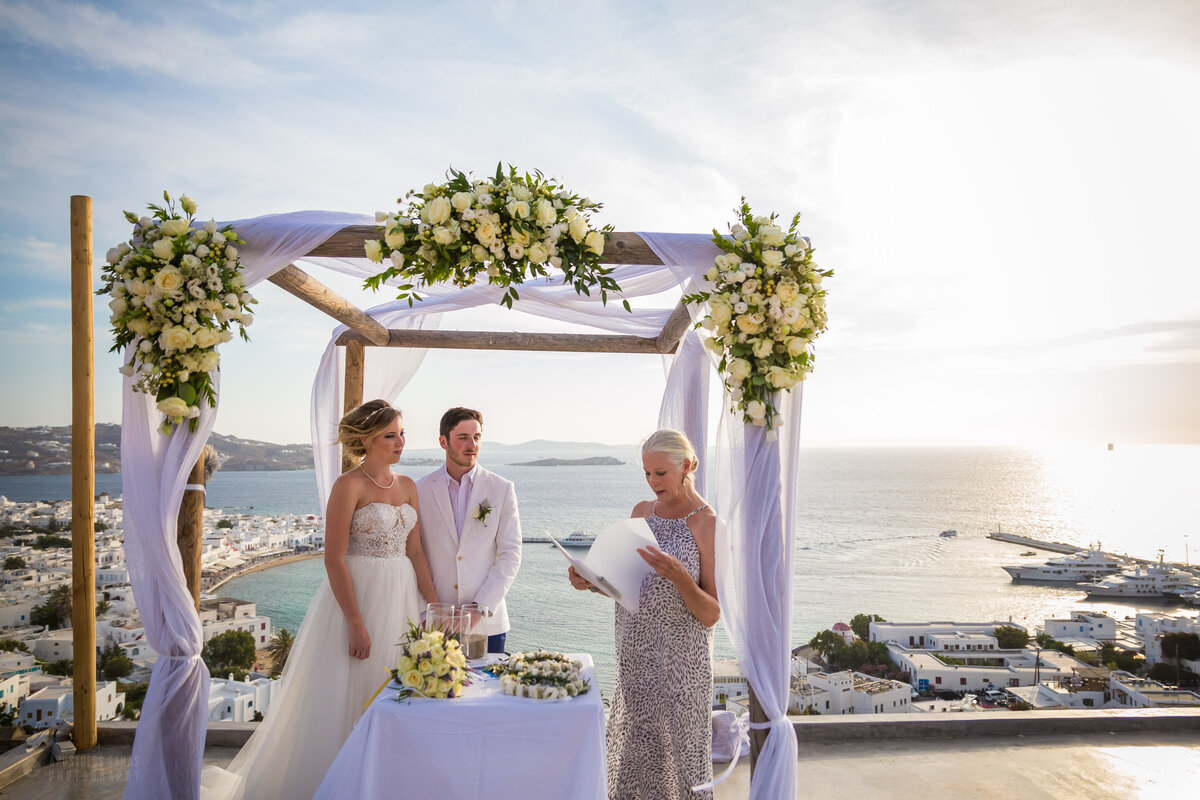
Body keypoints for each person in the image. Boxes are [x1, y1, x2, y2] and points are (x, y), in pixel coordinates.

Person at [206, 400, 437, 800]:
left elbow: (416, 553)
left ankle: (382, 782)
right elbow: (333, 559)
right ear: (366, 440)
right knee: (350, 691)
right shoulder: (348, 485)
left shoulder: (408, 486)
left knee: (394, 688)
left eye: (402, 433)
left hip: (400, 598)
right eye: (390, 435)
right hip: (359, 598)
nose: (400, 442)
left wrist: (434, 609)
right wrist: (356, 622)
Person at [568, 429, 720, 800]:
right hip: (634, 658)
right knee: (634, 758)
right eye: (647, 474)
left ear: (685, 466)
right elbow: (625, 585)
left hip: (682, 667)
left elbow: (712, 613)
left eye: (661, 474)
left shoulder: (707, 523)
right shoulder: (641, 513)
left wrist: (680, 577)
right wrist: (590, 582)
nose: (652, 483)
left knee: (683, 762)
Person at [416, 407, 522, 654]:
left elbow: (511, 554)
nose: (471, 444)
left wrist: (480, 607)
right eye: (463, 437)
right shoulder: (419, 490)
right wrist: (426, 612)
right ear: (443, 442)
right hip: (435, 623)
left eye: (476, 437)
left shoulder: (501, 488)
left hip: (487, 625)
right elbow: (414, 554)